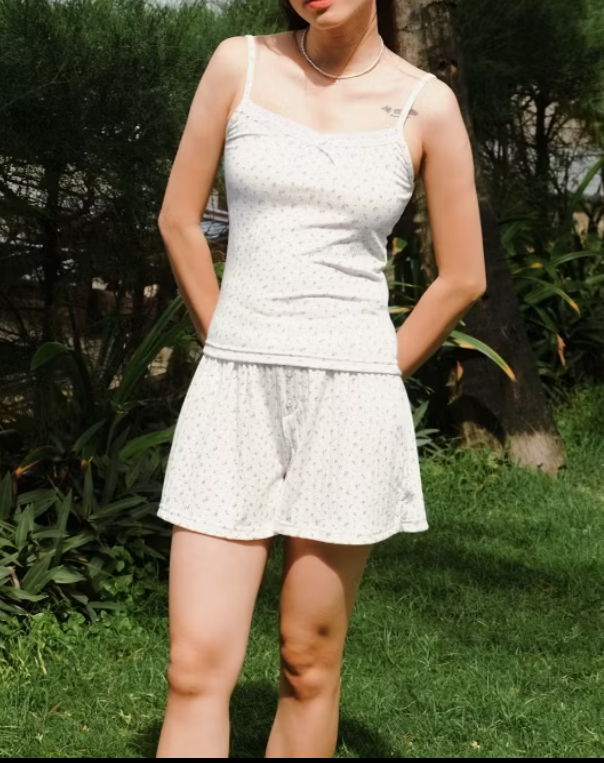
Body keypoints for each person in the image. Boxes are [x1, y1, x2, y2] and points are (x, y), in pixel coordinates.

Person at [154, 0, 485, 757]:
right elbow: (179, 219)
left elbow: (463, 275)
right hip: (233, 392)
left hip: (351, 403)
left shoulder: (427, 104)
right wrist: (226, 337)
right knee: (193, 665)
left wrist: (374, 373)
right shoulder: (237, 63)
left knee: (307, 663)